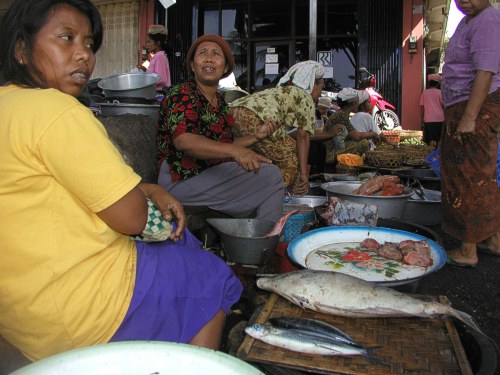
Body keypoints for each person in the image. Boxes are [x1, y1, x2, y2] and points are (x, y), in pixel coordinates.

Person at [0, 0, 242, 361]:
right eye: (66, 39)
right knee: (213, 274)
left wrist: (147, 187)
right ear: (21, 49)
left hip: (22, 313)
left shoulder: (10, 106)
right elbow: (133, 218)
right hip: (81, 310)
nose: (83, 55)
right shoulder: (56, 110)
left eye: (88, 43)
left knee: (183, 248)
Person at [156, 34, 285, 222]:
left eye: (216, 54)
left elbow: (222, 144)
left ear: (225, 68)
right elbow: (184, 140)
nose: (209, 58)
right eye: (202, 53)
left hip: (207, 173)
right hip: (180, 178)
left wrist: (255, 137)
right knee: (270, 179)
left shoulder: (221, 103)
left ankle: (256, 237)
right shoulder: (181, 93)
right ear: (192, 65)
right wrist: (235, 151)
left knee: (266, 172)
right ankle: (260, 241)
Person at [440, 0, 500, 267]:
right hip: (464, 106)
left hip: (474, 107)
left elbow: (485, 71)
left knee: (468, 174)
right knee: (479, 171)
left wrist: (469, 117)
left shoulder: (488, 19)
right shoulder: (469, 21)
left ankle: (468, 250)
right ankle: (493, 239)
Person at [229, 61, 325, 195]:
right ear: (313, 84)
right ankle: (274, 197)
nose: (321, 93)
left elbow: (288, 136)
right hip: (256, 117)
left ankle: (244, 192)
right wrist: (303, 174)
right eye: (321, 87)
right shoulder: (305, 97)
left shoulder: (281, 90)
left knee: (256, 156)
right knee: (292, 155)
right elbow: (303, 136)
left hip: (232, 111)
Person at [315, 87, 374, 165]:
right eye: (357, 102)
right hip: (329, 152)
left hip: (331, 149)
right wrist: (371, 134)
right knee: (364, 143)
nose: (358, 104)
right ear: (353, 104)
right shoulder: (341, 115)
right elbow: (356, 136)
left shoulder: (341, 114)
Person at [141, 24, 171, 90]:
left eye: (149, 42)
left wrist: (144, 81)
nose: (147, 45)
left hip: (158, 95)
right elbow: (144, 67)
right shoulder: (155, 56)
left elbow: (161, 79)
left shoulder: (159, 56)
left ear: (158, 43)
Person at [419, 74, 444, 147]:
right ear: (437, 84)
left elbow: (422, 107)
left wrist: (422, 119)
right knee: (439, 139)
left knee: (431, 139)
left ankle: (431, 155)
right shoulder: (440, 93)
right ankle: (438, 155)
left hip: (428, 119)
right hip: (440, 119)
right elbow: (443, 106)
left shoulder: (425, 93)